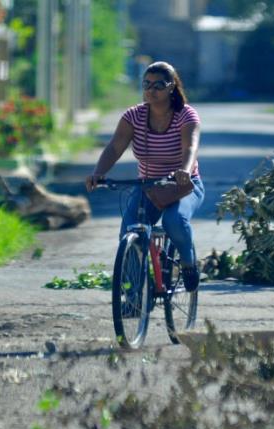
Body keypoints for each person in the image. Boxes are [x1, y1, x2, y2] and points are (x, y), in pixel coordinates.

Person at [85, 61, 203, 291]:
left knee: (174, 221)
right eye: (146, 84)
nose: (151, 90)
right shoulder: (134, 116)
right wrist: (98, 173)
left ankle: (188, 264)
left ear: (171, 87)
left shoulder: (185, 114)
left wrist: (185, 171)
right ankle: (134, 292)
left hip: (183, 185)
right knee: (130, 229)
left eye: (158, 85)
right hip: (148, 186)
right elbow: (115, 147)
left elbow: (191, 147)